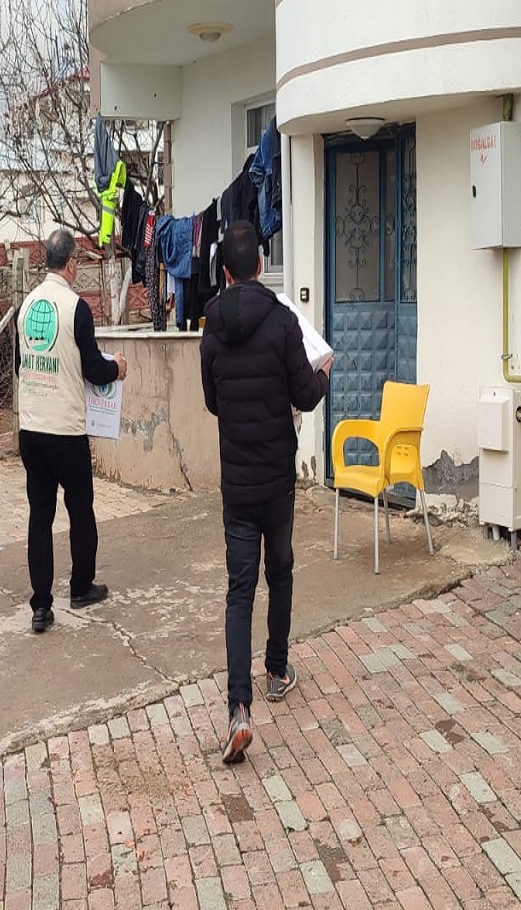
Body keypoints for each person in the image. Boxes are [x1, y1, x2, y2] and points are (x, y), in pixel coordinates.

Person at [199, 220, 332, 763]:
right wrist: (324, 374)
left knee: (239, 591)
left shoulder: (211, 327)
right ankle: (276, 670)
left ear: (226, 271)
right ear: (260, 265)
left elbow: (212, 401)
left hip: (237, 483)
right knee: (280, 571)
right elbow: (305, 392)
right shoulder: (282, 322)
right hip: (277, 480)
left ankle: (239, 709)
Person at [16, 229, 128, 633]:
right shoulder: (75, 308)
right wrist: (117, 368)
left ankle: (40, 606)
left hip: (31, 428)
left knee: (40, 516)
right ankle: (81, 586)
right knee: (80, 510)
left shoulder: (26, 308)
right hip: (65, 429)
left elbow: (20, 367)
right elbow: (93, 369)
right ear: (71, 264)